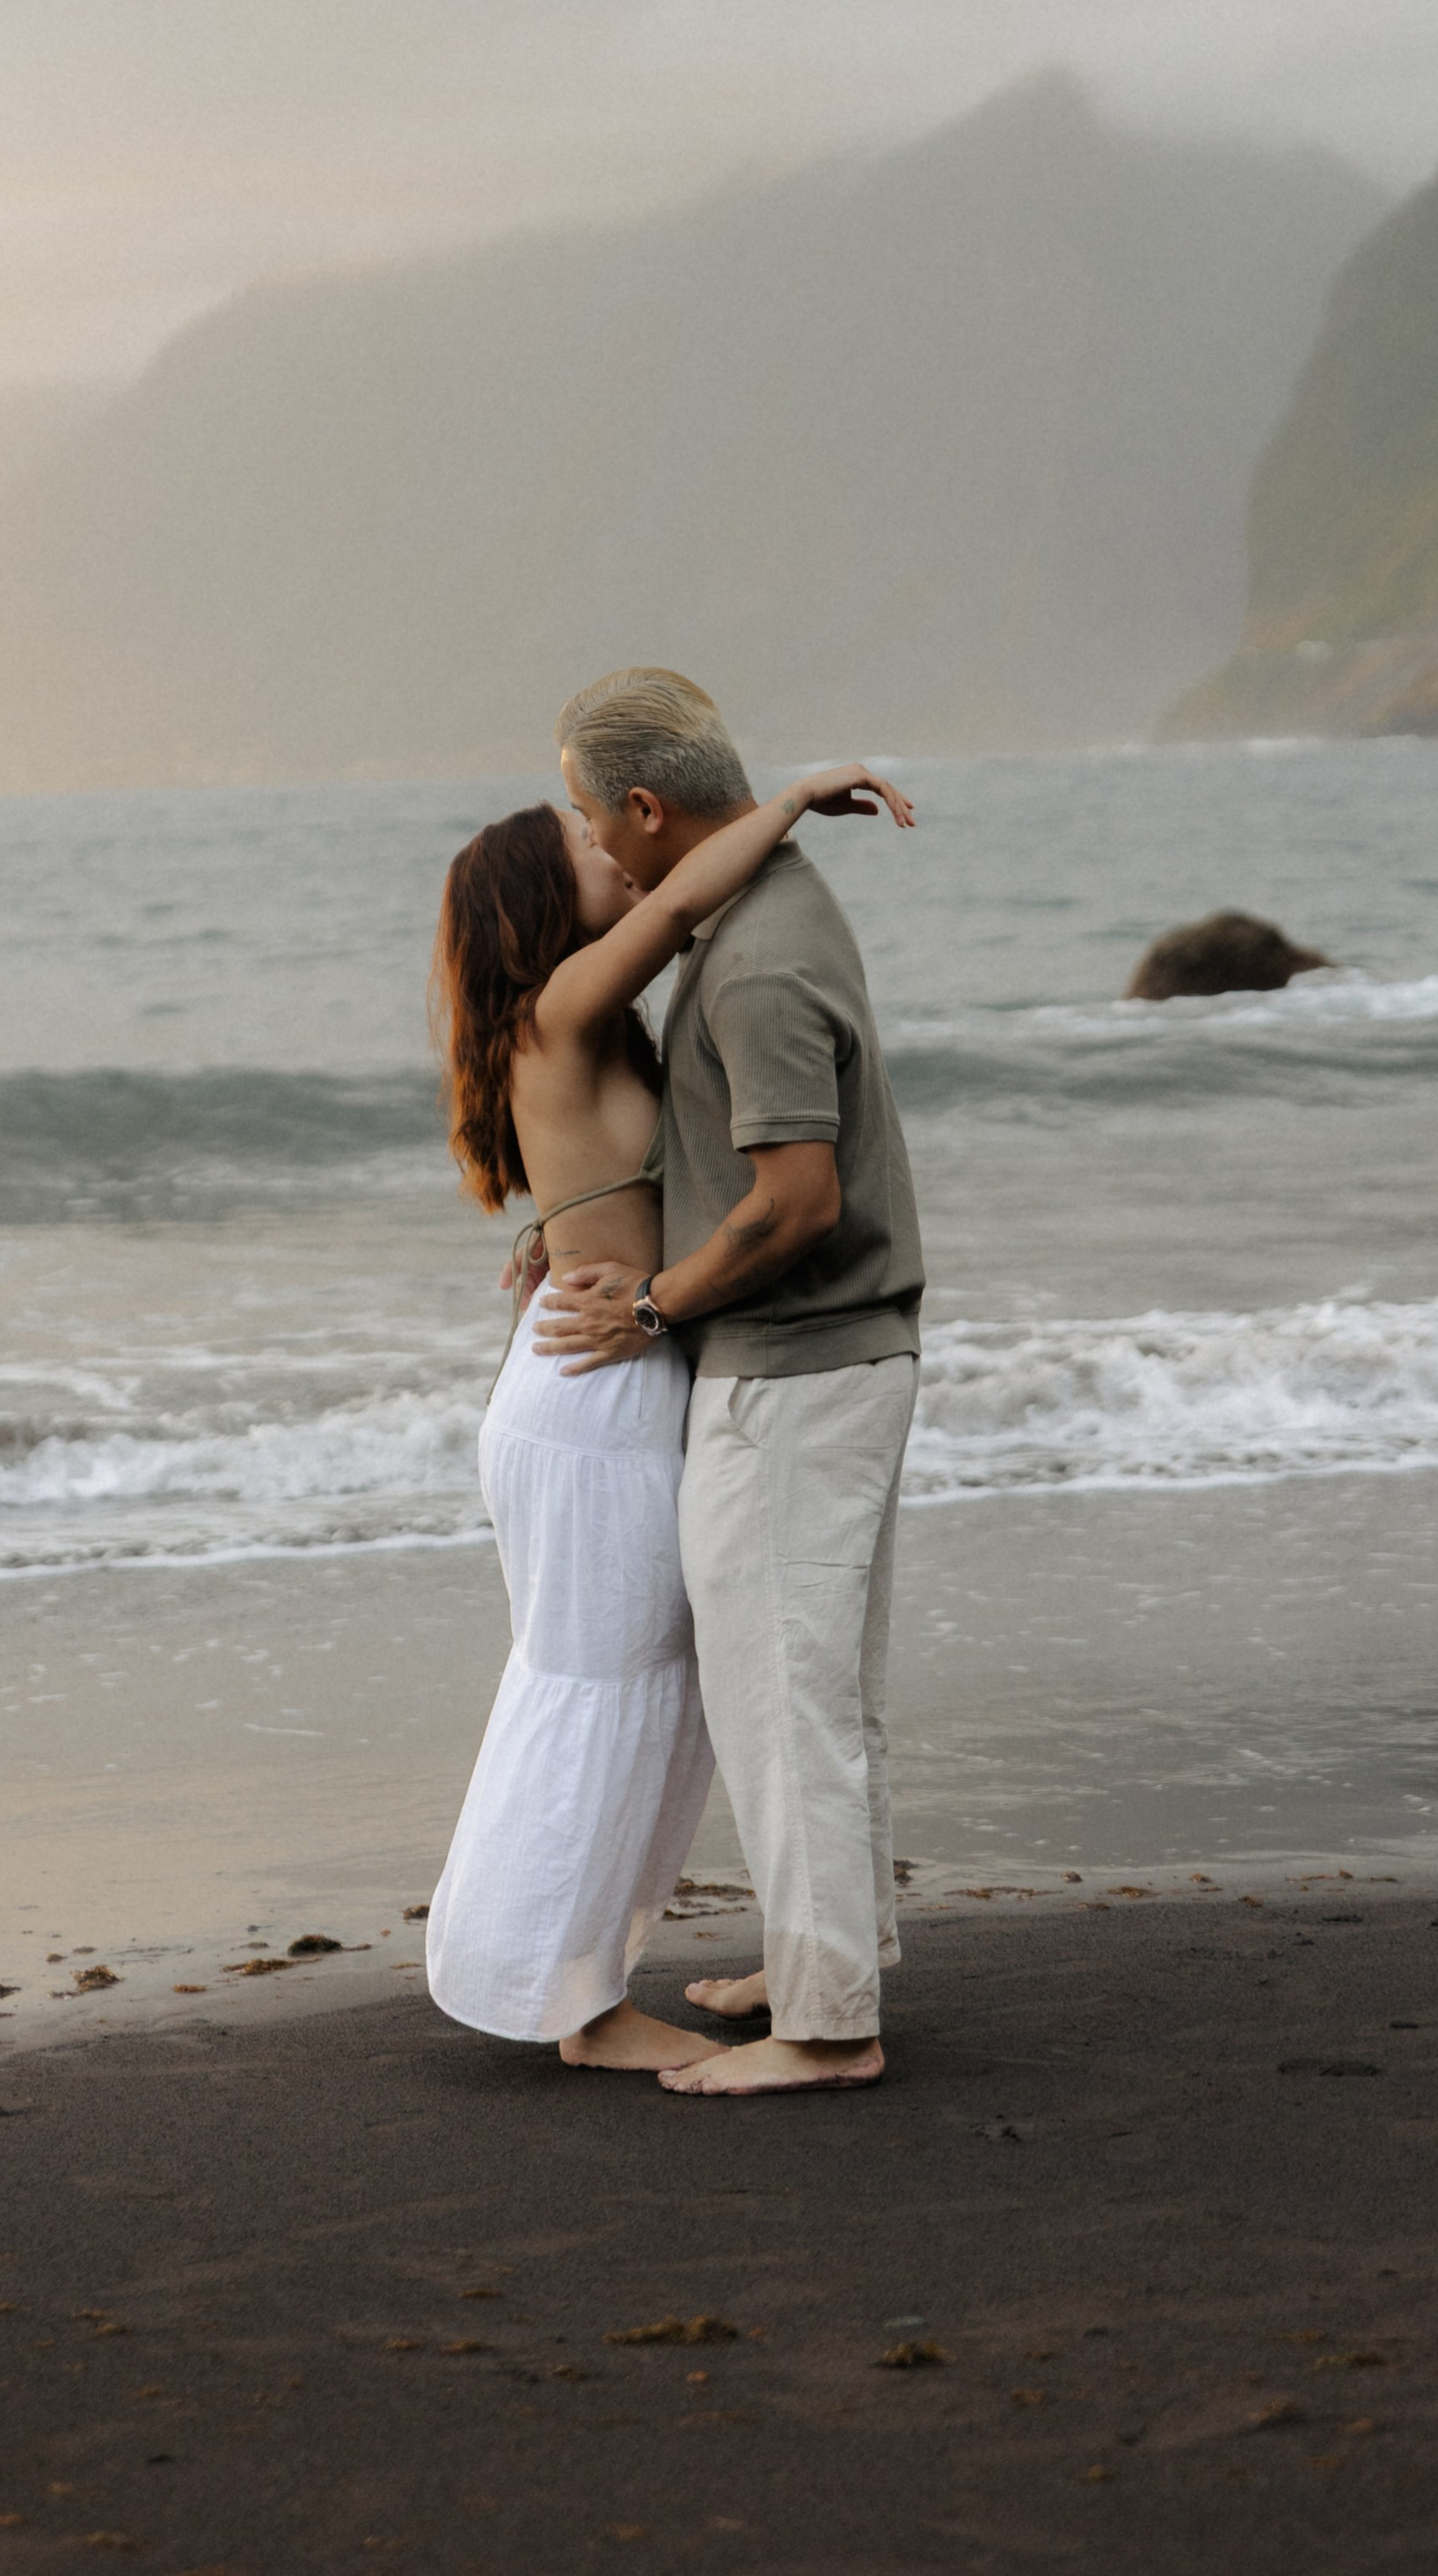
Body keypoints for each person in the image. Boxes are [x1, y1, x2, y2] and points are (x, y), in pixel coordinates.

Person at [423, 742, 915, 2071]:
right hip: (595, 1394)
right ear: (538, 903)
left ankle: (579, 1980)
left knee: (633, 1687)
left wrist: (580, 1235)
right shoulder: (563, 1005)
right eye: (582, 845)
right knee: (599, 1687)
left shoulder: (576, 1029)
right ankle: (574, 2010)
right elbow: (684, 902)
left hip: (612, 1378)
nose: (608, 848)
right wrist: (794, 802)